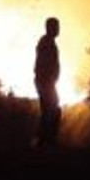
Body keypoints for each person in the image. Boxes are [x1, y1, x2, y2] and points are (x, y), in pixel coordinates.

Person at [33, 16, 61, 149]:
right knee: (51, 109)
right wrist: (49, 77)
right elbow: (45, 63)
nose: (58, 30)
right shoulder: (46, 42)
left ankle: (45, 140)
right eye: (56, 27)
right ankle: (46, 140)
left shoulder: (47, 41)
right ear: (50, 28)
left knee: (49, 109)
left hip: (46, 80)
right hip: (45, 80)